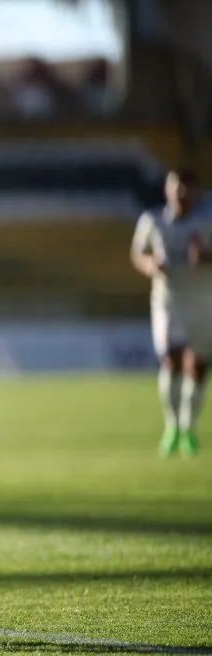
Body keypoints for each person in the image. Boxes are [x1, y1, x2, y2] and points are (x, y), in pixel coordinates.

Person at [130, 167, 212, 457]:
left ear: (196, 191)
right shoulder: (152, 220)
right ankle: (172, 426)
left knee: (197, 366)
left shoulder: (208, 219)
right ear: (167, 189)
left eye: (186, 188)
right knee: (171, 360)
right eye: (176, 187)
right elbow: (137, 253)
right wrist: (150, 265)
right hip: (167, 300)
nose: (181, 194)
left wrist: (206, 257)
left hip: (202, 301)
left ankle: (189, 428)